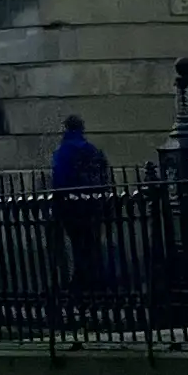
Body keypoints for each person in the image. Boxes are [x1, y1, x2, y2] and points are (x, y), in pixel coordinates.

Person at [50, 114, 110, 290]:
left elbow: (59, 179)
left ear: (66, 129)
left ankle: (81, 281)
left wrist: (58, 204)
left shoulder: (63, 151)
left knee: (77, 243)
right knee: (92, 242)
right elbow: (103, 175)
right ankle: (96, 280)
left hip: (71, 204)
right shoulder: (92, 149)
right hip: (93, 203)